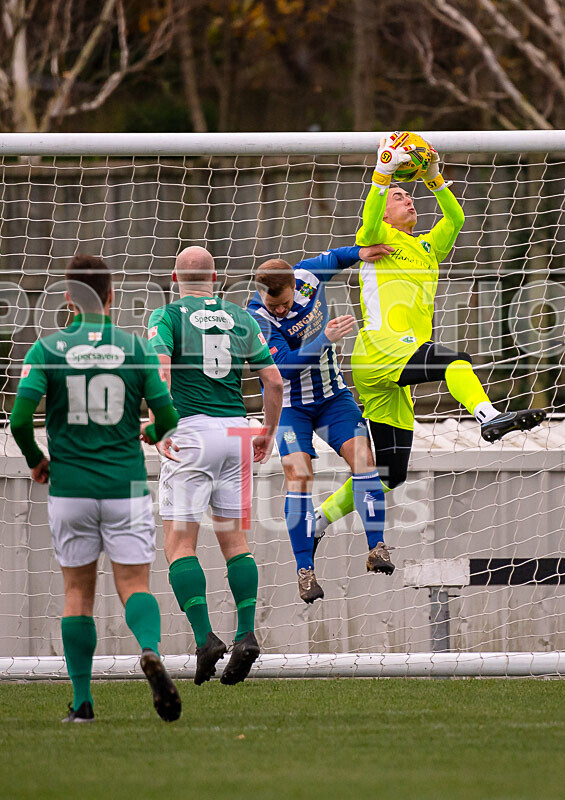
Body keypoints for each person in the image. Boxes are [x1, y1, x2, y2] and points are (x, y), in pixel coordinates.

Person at [315, 134, 547, 547]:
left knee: (390, 474)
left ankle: (319, 518)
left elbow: (455, 221)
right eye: (400, 196)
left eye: (410, 194)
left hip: (392, 365)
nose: (409, 200)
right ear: (384, 210)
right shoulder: (376, 241)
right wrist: (384, 172)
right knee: (454, 361)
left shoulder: (426, 247)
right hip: (381, 349)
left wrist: (436, 178)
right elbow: (371, 214)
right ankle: (488, 417)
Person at [10, 255, 182, 724]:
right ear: (110, 296)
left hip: (71, 488)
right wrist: (148, 433)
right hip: (124, 485)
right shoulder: (134, 347)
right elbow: (168, 417)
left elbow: (21, 420)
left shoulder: (47, 349)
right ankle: (149, 651)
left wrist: (36, 461)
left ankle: (83, 704)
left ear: (68, 298)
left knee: (77, 594)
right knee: (133, 584)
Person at [147, 246, 283, 686]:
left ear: (174, 278)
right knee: (234, 540)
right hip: (236, 432)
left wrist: (159, 423)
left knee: (178, 543)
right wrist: (268, 431)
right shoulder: (241, 317)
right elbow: (274, 381)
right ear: (217, 278)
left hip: (191, 432)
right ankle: (246, 634)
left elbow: (161, 371)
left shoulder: (166, 317)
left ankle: (206, 638)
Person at [247, 242, 395, 605]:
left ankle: (376, 548)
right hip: (292, 408)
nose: (279, 310)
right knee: (299, 476)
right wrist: (324, 338)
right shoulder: (257, 316)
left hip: (333, 398)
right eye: (273, 305)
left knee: (365, 462)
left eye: (283, 303)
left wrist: (362, 252)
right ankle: (305, 569)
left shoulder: (309, 276)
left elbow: (335, 258)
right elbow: (283, 368)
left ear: (295, 286)